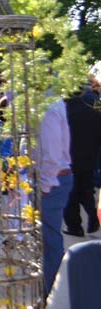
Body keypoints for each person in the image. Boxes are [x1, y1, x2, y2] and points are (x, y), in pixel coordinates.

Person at [38, 95, 73, 297]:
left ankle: (53, 296)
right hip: (54, 179)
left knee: (50, 243)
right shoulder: (52, 103)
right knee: (48, 241)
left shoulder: (48, 107)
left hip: (53, 181)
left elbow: (52, 155)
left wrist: (44, 186)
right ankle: (51, 293)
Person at [62, 90, 101, 237]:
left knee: (71, 194)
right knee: (85, 189)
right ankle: (93, 217)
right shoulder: (93, 108)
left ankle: (74, 226)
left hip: (69, 157)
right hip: (89, 156)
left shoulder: (64, 111)